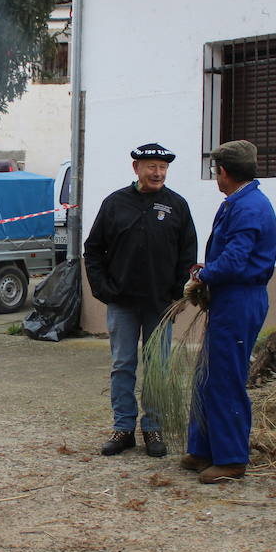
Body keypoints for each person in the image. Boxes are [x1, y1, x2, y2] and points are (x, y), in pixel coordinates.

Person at [83, 143, 197, 457]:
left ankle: (153, 428)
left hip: (160, 305)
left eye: (162, 167)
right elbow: (92, 251)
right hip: (122, 303)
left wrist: (178, 294)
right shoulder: (115, 203)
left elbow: (188, 255)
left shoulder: (177, 205)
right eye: (151, 167)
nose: (158, 172)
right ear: (137, 168)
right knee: (123, 365)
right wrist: (104, 290)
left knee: (157, 365)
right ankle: (123, 429)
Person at [182, 140, 276, 484]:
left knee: (225, 377)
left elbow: (236, 261)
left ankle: (232, 458)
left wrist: (204, 276)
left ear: (223, 171)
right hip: (229, 297)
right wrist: (207, 273)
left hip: (240, 300)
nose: (215, 176)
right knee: (207, 375)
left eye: (215, 170)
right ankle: (205, 449)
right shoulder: (240, 202)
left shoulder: (249, 207)